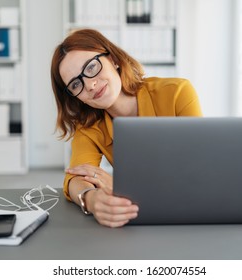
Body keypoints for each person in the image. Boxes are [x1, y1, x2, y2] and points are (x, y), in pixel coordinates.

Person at [51, 29, 202, 227]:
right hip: (141, 220)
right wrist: (92, 199)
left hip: (189, 215)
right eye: (75, 84)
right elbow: (75, 178)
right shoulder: (89, 127)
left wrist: (119, 185)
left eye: (91, 67)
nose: (89, 85)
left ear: (113, 59)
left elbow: (198, 170)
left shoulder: (176, 93)